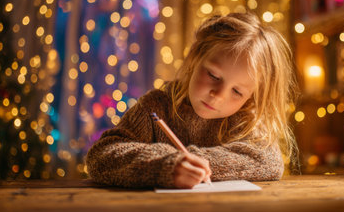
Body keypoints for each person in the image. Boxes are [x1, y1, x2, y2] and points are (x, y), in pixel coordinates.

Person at [86, 12, 299, 189]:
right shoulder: (156, 107)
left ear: (252, 97)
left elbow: (268, 162)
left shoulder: (245, 118)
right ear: (194, 57)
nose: (219, 95)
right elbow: (101, 156)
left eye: (237, 91)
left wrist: (197, 162)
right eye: (214, 76)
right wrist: (166, 165)